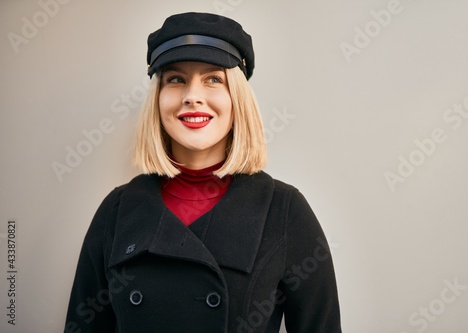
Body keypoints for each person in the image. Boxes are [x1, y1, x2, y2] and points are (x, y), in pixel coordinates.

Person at [64, 12, 342, 333]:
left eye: (213, 79)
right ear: (158, 99)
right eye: (176, 79)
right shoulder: (117, 210)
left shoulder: (284, 210)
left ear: (236, 98)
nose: (192, 96)